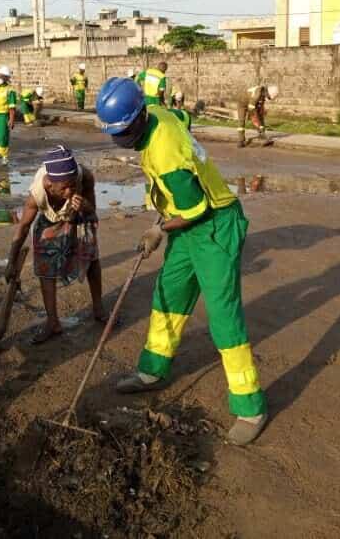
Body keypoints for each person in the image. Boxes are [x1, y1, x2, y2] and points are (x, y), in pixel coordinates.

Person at [95, 77, 267, 446]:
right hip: (188, 223)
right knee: (169, 295)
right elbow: (182, 118)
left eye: (124, 131)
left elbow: (197, 207)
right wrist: (162, 216)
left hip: (215, 224)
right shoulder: (157, 112)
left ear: (138, 117)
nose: (121, 140)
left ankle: (250, 405)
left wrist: (158, 230)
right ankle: (153, 372)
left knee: (223, 316)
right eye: (115, 133)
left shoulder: (165, 153)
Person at [6, 145, 105, 345]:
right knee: (45, 269)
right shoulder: (37, 195)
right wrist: (11, 262)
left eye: (72, 186)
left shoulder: (84, 177)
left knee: (91, 258)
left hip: (78, 216)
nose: (69, 192)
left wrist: (84, 205)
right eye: (63, 188)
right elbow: (23, 226)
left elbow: (93, 211)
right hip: (49, 221)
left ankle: (99, 309)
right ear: (50, 185)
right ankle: (53, 322)